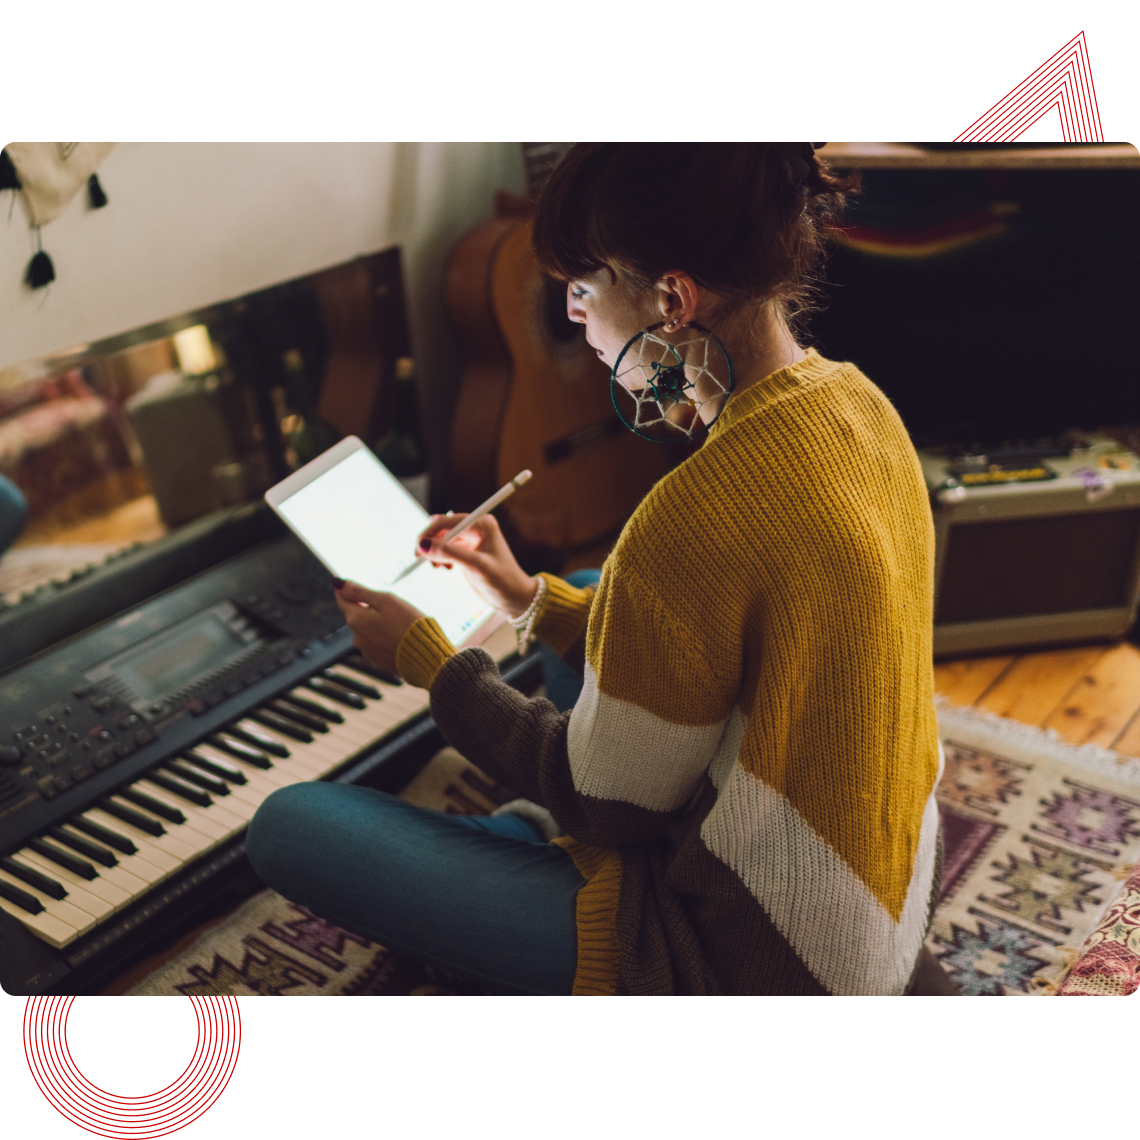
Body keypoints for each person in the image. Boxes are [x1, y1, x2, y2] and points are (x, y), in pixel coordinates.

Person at [246, 143, 947, 995]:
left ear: (673, 299)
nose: (574, 316)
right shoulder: (861, 407)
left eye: (581, 290)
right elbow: (717, 656)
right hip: (876, 900)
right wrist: (527, 597)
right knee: (579, 635)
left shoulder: (691, 513)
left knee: (291, 827)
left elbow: (603, 804)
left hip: (756, 961)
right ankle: (521, 859)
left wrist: (431, 664)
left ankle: (533, 878)